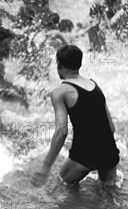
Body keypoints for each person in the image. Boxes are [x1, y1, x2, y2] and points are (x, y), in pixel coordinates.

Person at [32, 45, 120, 186]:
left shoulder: (60, 92)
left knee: (60, 188)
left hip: (84, 154)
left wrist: (45, 166)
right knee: (109, 194)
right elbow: (111, 127)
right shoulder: (95, 85)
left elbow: (61, 132)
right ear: (79, 64)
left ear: (59, 65)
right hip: (109, 151)